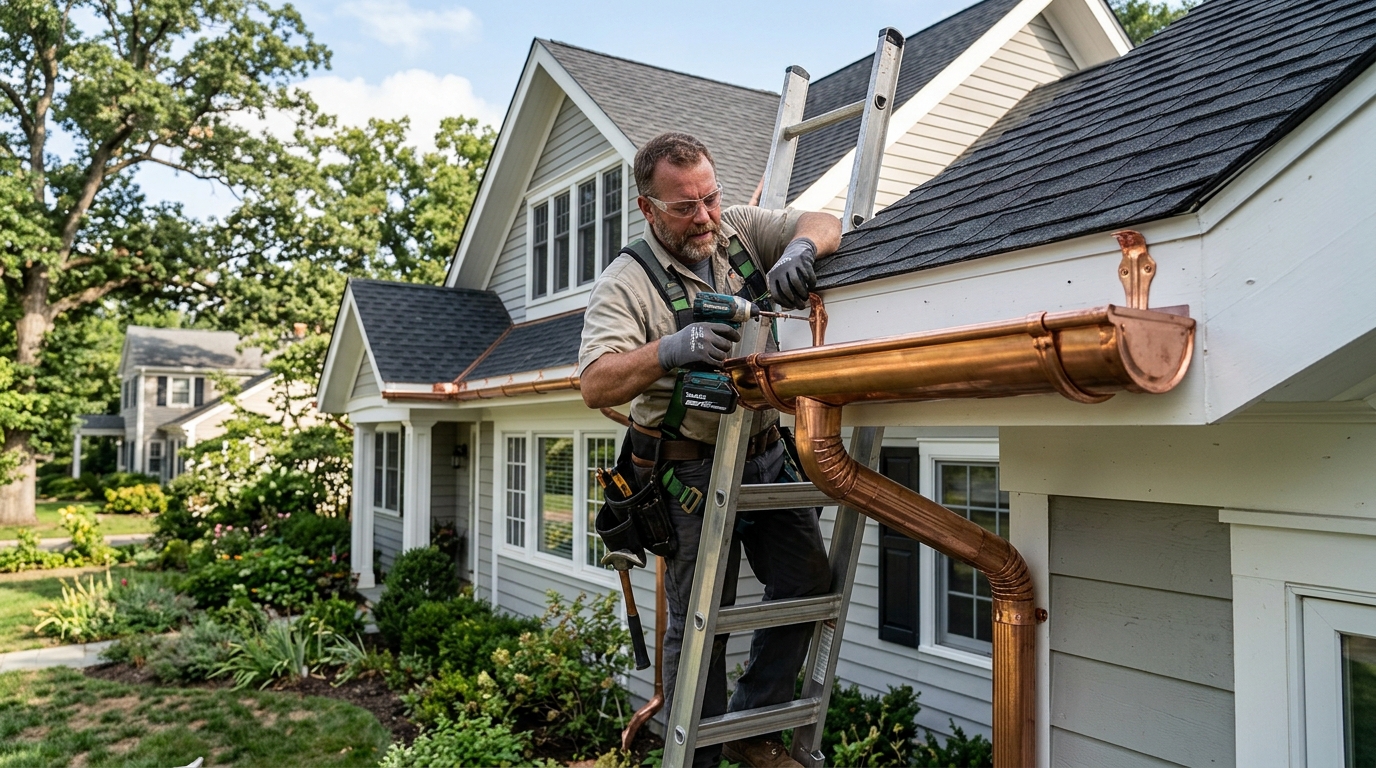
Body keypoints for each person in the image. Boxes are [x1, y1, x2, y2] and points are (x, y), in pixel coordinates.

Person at [579, 132, 841, 768]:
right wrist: (670, 349)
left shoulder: (737, 232)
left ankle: (752, 727)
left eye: (710, 198)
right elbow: (595, 383)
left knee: (807, 581)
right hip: (687, 473)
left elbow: (824, 220)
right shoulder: (627, 282)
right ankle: (696, 757)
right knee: (702, 619)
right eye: (683, 207)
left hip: (765, 451)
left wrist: (801, 249)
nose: (703, 217)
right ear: (647, 208)